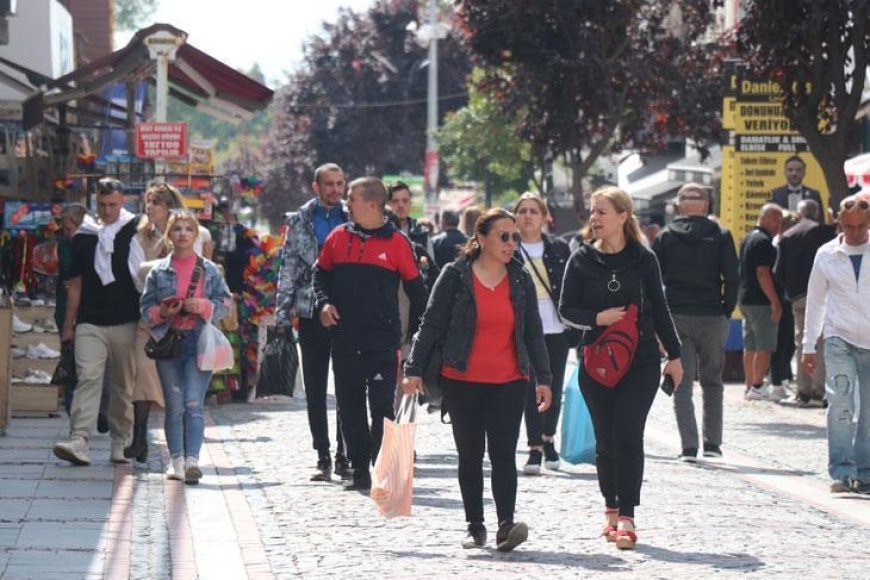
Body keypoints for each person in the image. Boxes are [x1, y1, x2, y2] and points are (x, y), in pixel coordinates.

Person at [403, 207, 553, 552]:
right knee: (469, 455)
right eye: (503, 236)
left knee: (502, 454)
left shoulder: (520, 278)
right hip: (462, 379)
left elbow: (533, 333)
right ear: (480, 238)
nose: (511, 243)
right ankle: (474, 525)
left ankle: (505, 525)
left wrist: (543, 378)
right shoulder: (455, 275)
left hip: (510, 380)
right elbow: (431, 324)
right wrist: (413, 368)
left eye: (514, 236)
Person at [559, 186, 683, 551]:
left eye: (602, 212)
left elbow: (660, 309)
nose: (594, 218)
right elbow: (566, 309)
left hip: (641, 361)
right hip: (596, 363)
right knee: (606, 439)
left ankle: (627, 516)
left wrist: (674, 356)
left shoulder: (644, 259)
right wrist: (598, 318)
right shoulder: (580, 259)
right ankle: (610, 508)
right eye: (593, 212)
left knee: (628, 433)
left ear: (622, 217)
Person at [314, 177, 428, 492]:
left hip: (382, 341)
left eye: (351, 198)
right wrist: (324, 304)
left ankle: (382, 466)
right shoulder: (338, 238)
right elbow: (320, 274)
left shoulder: (398, 243)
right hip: (345, 338)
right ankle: (359, 469)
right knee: (349, 407)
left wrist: (417, 339)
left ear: (372, 204)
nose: (346, 203)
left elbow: (418, 294)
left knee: (381, 408)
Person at [53, 178, 145, 466]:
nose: (107, 211)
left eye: (113, 205)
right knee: (88, 378)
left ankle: (121, 440)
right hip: (90, 321)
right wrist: (69, 325)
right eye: (102, 205)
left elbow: (144, 276)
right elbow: (76, 284)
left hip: (126, 320)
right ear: (95, 203)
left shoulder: (134, 230)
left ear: (123, 202)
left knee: (122, 386)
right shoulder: (84, 236)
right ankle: (79, 439)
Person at [140, 210, 231, 484]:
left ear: (196, 235)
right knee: (174, 405)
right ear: (169, 235)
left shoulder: (209, 270)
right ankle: (176, 460)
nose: (182, 233)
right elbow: (146, 308)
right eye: (177, 229)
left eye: (188, 229)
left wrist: (204, 306)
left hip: (198, 342)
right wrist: (164, 312)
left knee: (193, 402)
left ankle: (193, 460)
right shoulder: (158, 271)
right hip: (168, 344)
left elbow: (226, 304)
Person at [652, 184, 739, 462]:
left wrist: (658, 319)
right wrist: (726, 309)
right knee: (713, 381)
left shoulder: (665, 237)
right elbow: (733, 277)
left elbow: (654, 281)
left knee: (681, 381)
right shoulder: (721, 236)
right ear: (705, 205)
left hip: (676, 315)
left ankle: (689, 446)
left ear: (679, 206)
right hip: (712, 314)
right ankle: (712, 444)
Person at [275, 163, 350, 481]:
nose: (335, 189)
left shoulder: (353, 216)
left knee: (348, 386)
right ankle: (323, 454)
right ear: (315, 187)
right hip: (308, 311)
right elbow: (288, 266)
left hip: (348, 310)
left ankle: (344, 453)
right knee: (316, 387)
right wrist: (281, 313)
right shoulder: (300, 221)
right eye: (329, 184)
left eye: (339, 183)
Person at [801, 195, 870, 494]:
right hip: (838, 338)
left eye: (861, 227)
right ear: (838, 223)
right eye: (849, 226)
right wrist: (808, 345)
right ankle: (842, 471)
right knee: (840, 404)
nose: (854, 233)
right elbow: (815, 302)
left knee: (868, 410)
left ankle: (865, 472)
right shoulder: (826, 254)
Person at [124, 183, 186, 463]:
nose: (150, 208)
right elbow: (137, 276)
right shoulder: (139, 237)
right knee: (143, 374)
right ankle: (139, 438)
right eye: (148, 202)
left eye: (156, 202)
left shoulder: (184, 233)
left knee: (177, 382)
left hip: (183, 319)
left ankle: (180, 447)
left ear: (169, 206)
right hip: (150, 317)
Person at [511, 193, 572, 474]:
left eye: (533, 211)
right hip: (523, 328)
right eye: (522, 211)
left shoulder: (559, 248)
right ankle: (534, 446)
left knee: (554, 387)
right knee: (529, 388)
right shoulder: (509, 247)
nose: (527, 216)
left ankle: (549, 440)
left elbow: (572, 287)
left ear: (544, 216)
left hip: (555, 328)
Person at [774, 199, 834, 406]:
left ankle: (803, 391)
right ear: (816, 213)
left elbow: (778, 272)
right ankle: (819, 390)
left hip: (798, 296)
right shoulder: (826, 233)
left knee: (803, 341)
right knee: (823, 341)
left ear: (798, 214)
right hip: (824, 294)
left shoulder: (788, 236)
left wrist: (791, 290)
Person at [738, 203, 784, 401]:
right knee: (764, 344)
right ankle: (757, 385)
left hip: (746, 298)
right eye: (777, 220)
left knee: (750, 345)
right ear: (765, 217)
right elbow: (762, 272)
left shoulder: (748, 237)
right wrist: (775, 301)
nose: (779, 226)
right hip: (761, 301)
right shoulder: (764, 241)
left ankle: (749, 385)